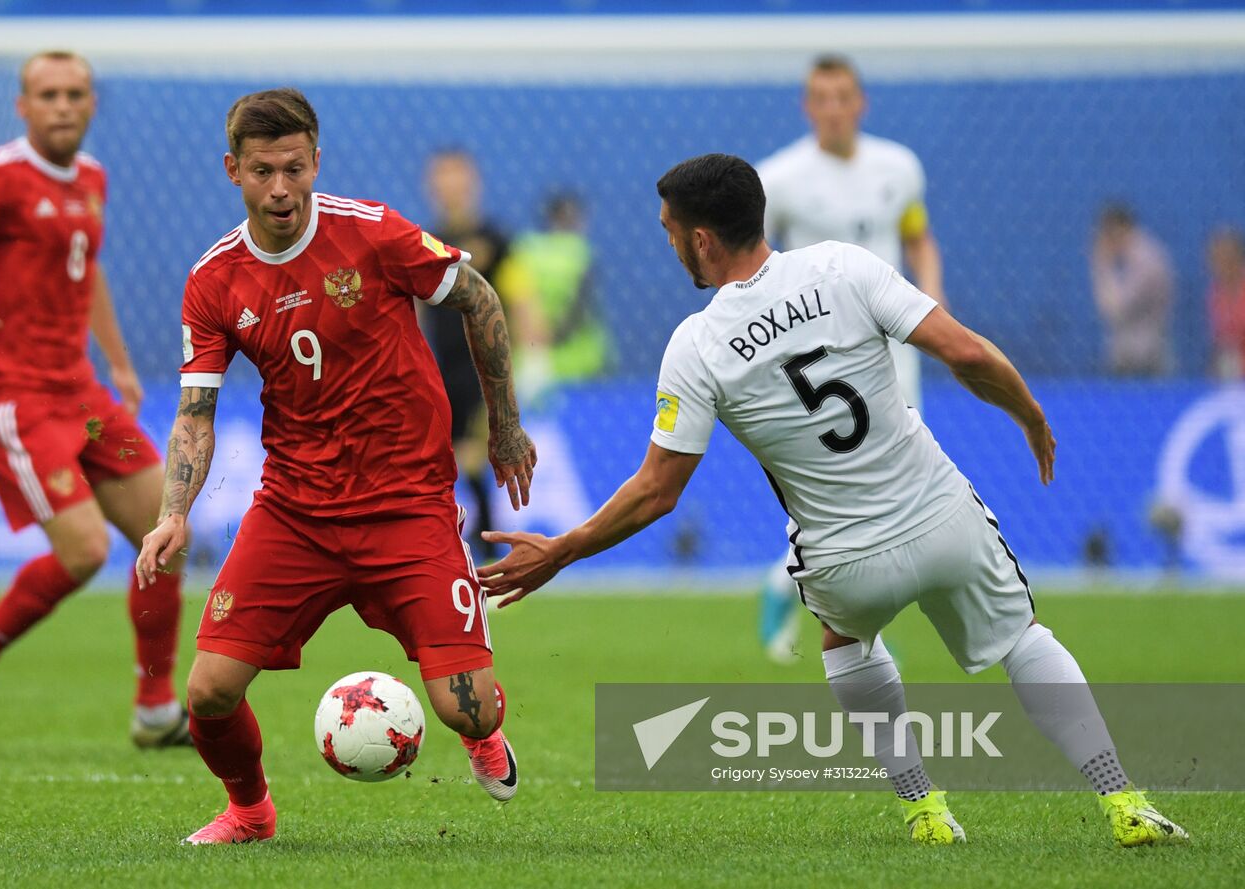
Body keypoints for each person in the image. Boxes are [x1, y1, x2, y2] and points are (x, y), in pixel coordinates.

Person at [481, 154, 1188, 849]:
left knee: (842, 640)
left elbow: (656, 492)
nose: (669, 244)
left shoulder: (696, 345)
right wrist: (1028, 411)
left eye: (670, 230)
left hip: (844, 559)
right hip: (941, 517)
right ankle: (1122, 795)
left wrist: (564, 549)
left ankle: (924, 808)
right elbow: (966, 354)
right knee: (1024, 638)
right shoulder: (843, 267)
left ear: (701, 239)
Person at [135, 88, 536, 845]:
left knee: (466, 706)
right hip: (296, 511)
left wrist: (506, 427)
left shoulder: (374, 233)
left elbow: (478, 297)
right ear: (233, 171)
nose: (280, 188)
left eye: (294, 168)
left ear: (317, 161)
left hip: (408, 503)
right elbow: (195, 414)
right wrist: (173, 513)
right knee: (209, 691)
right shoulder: (214, 280)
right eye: (261, 172)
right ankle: (250, 812)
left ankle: (483, 734)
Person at [0, 51, 189, 752]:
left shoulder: (91, 178)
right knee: (86, 549)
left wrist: (118, 363)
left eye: (75, 94)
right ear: (23, 106)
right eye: (48, 94)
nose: (63, 105)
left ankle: (154, 708)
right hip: (16, 395)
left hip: (81, 390)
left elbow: (87, 274)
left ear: (92, 104)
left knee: (165, 531)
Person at [752, 53, 946, 663]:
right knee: (842, 487)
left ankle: (793, 585)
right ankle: (810, 590)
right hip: (824, 365)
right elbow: (755, 257)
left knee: (895, 480)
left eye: (843, 97)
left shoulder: (899, 167)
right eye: (821, 98)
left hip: (895, 347)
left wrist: (933, 309)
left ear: (860, 102)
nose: (833, 109)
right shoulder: (778, 178)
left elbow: (917, 237)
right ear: (807, 107)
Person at [421, 148, 512, 561]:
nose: (450, 185)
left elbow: (521, 298)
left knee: (473, 456)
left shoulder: (497, 241)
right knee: (448, 460)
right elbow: (418, 308)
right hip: (438, 371)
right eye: (442, 176)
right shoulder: (426, 242)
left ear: (473, 181)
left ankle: (490, 553)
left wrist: (535, 352)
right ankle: (460, 551)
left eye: (457, 175)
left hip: (483, 371)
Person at [497, 191, 612, 400]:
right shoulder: (581, 252)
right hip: (580, 363)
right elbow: (579, 310)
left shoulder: (523, 248)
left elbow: (513, 300)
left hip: (528, 359)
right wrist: (553, 336)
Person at [1090, 203, 1175, 377]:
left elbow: (1116, 309)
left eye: (1108, 233)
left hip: (1147, 357)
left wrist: (1101, 265)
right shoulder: (1127, 258)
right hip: (1126, 353)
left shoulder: (1147, 260)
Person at [1207, 227, 1245, 380]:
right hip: (1230, 375)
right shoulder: (1215, 292)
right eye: (1214, 258)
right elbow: (1219, 339)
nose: (1218, 264)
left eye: (1224, 257)